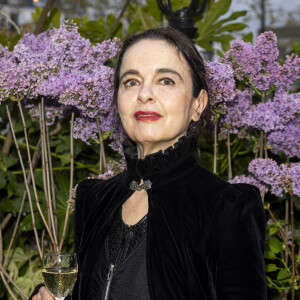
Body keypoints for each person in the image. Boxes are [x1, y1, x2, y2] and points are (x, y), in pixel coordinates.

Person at [30, 27, 267, 300]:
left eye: (165, 80)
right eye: (131, 81)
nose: (144, 94)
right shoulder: (93, 199)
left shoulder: (226, 206)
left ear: (197, 104)